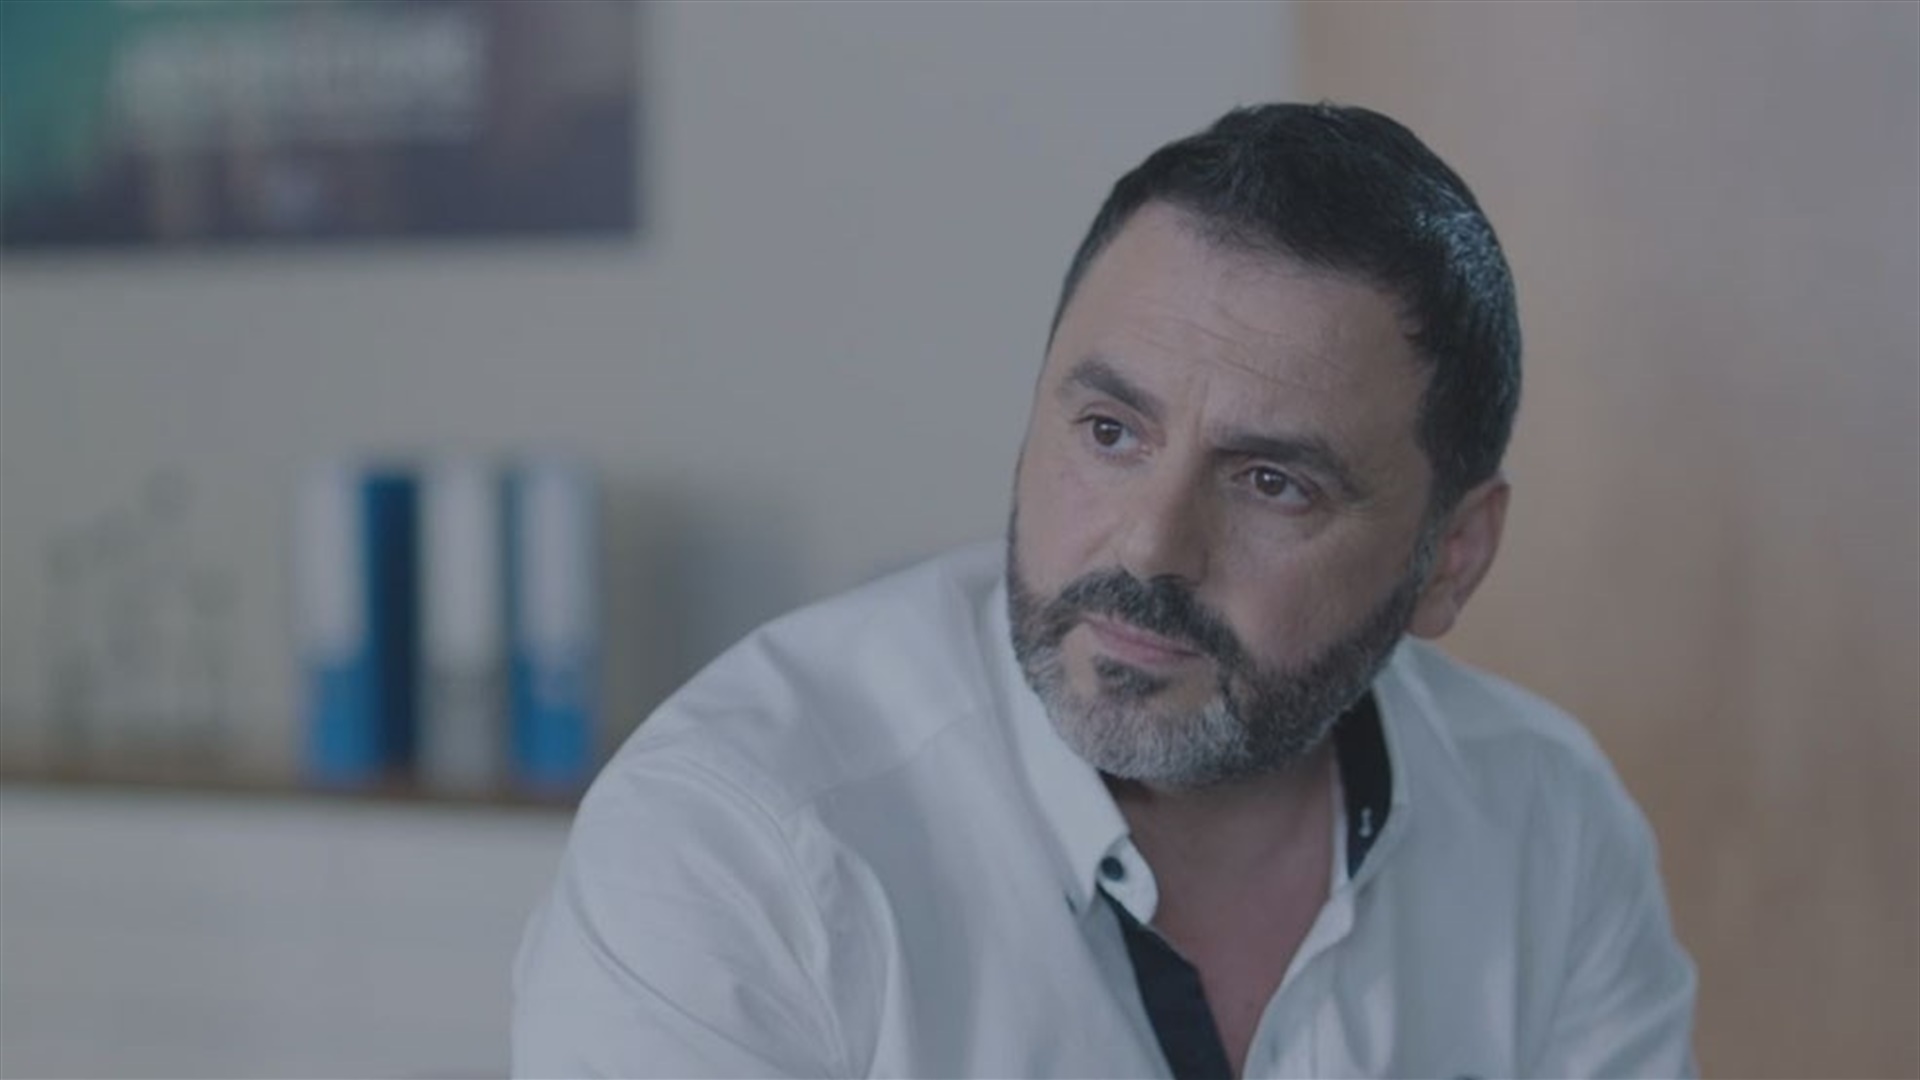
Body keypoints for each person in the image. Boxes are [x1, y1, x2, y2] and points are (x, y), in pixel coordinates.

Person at [511, 102, 1697, 1079]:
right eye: (1110, 431)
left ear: (1451, 558)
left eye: (1273, 482)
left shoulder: (1547, 825)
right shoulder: (739, 839)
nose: (1150, 547)